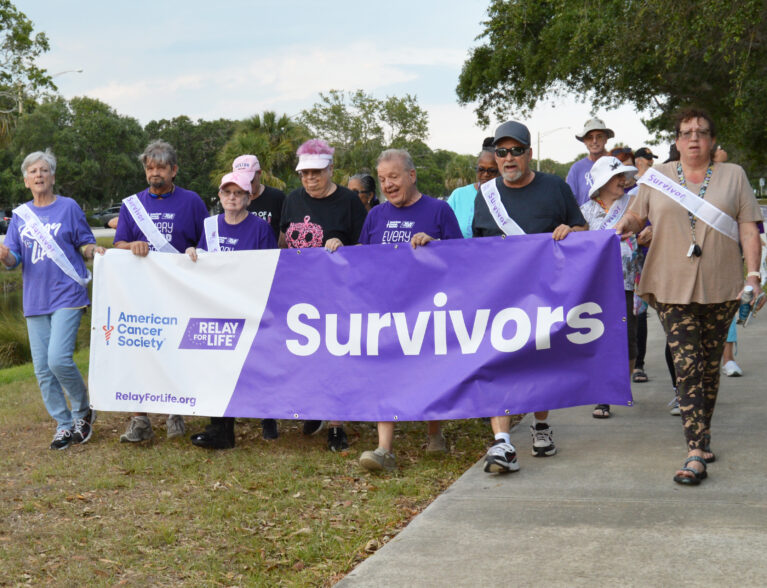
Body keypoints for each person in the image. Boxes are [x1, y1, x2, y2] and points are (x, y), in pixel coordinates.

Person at [614, 108, 764, 486]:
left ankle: (703, 435)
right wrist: (624, 226)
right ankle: (695, 450)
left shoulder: (734, 176)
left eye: (701, 132)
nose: (694, 138)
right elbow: (636, 215)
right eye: (686, 132)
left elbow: (748, 229)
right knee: (687, 364)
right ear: (677, 141)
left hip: (722, 284)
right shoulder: (657, 178)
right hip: (669, 285)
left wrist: (754, 276)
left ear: (712, 140)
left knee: (709, 366)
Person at [473, 120, 587, 473]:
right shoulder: (485, 194)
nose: (508, 158)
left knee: (540, 364)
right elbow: (475, 246)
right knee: (498, 364)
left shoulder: (555, 188)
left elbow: (583, 229)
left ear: (529, 154)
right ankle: (503, 443)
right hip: (501, 295)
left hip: (544, 294)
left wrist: (572, 231)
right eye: (501, 152)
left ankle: (540, 426)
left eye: (516, 151)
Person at [357, 149, 463, 472]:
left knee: (429, 369)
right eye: (383, 178)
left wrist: (435, 244)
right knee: (384, 371)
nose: (388, 184)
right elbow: (362, 256)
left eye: (394, 176)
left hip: (429, 307)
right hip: (386, 308)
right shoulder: (375, 216)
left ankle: (435, 433)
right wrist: (338, 249)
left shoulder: (439, 211)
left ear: (411, 176)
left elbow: (463, 258)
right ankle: (384, 450)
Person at [0, 149, 104, 450]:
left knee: (58, 359)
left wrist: (92, 252)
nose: (39, 175)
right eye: (33, 171)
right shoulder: (20, 217)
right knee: (43, 369)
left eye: (44, 170)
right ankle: (63, 423)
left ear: (53, 176)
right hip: (35, 299)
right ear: (25, 180)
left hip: (68, 293)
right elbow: (14, 258)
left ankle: (83, 410)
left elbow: (85, 241)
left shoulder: (69, 207)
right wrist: (6, 257)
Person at [113, 140, 209, 443]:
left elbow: (206, 242)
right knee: (140, 351)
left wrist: (195, 250)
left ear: (174, 170)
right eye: (150, 167)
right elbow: (118, 244)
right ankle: (140, 419)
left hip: (180, 291)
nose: (155, 173)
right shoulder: (131, 205)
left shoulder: (192, 201)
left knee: (176, 351)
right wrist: (132, 246)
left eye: (161, 167)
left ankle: (174, 411)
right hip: (140, 292)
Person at [279, 138, 368, 451]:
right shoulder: (292, 200)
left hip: (336, 295)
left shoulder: (348, 202)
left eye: (316, 172)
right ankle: (314, 408)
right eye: (304, 173)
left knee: (334, 358)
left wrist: (345, 248)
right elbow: (282, 241)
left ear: (331, 169)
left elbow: (366, 248)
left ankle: (336, 424)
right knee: (305, 357)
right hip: (299, 294)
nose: (309, 179)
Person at [186, 171, 277, 449]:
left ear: (249, 197)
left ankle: (268, 415)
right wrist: (193, 253)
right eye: (227, 193)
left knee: (256, 366)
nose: (232, 198)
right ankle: (221, 430)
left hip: (250, 306)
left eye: (239, 193)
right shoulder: (210, 226)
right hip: (218, 308)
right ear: (220, 197)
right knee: (218, 367)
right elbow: (203, 263)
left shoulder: (260, 228)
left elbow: (270, 267)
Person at [580, 156, 640, 418]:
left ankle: (621, 386)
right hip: (597, 287)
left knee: (629, 340)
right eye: (617, 177)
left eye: (623, 176)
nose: (622, 181)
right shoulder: (584, 212)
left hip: (629, 283)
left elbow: (649, 232)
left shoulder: (635, 206)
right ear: (603, 181)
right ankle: (603, 395)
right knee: (601, 339)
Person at [447, 137, 499, 238]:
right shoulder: (458, 195)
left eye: (492, 170)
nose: (485, 174)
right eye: (481, 169)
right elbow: (440, 229)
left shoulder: (507, 196)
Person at [232, 154, 285, 238]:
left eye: (250, 181)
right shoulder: (231, 201)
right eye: (242, 182)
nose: (247, 185)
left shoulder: (276, 197)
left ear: (259, 173)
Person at [566, 117, 614, 205]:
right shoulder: (576, 169)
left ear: (606, 139)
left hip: (617, 217)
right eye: (589, 137)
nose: (594, 141)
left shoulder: (616, 164)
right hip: (584, 218)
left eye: (599, 137)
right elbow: (569, 200)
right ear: (584, 141)